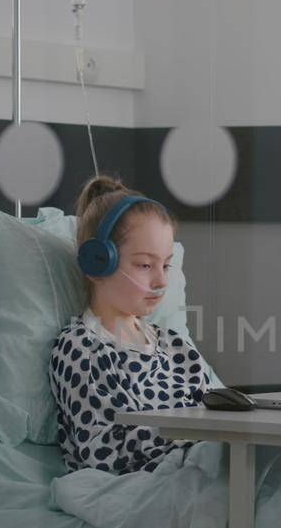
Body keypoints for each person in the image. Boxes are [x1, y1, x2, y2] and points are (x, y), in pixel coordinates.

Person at [50, 176, 214, 472]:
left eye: (165, 265)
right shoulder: (82, 350)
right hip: (146, 482)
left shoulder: (175, 347)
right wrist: (197, 451)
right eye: (145, 265)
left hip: (206, 464)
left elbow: (214, 416)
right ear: (97, 263)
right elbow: (106, 456)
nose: (162, 280)